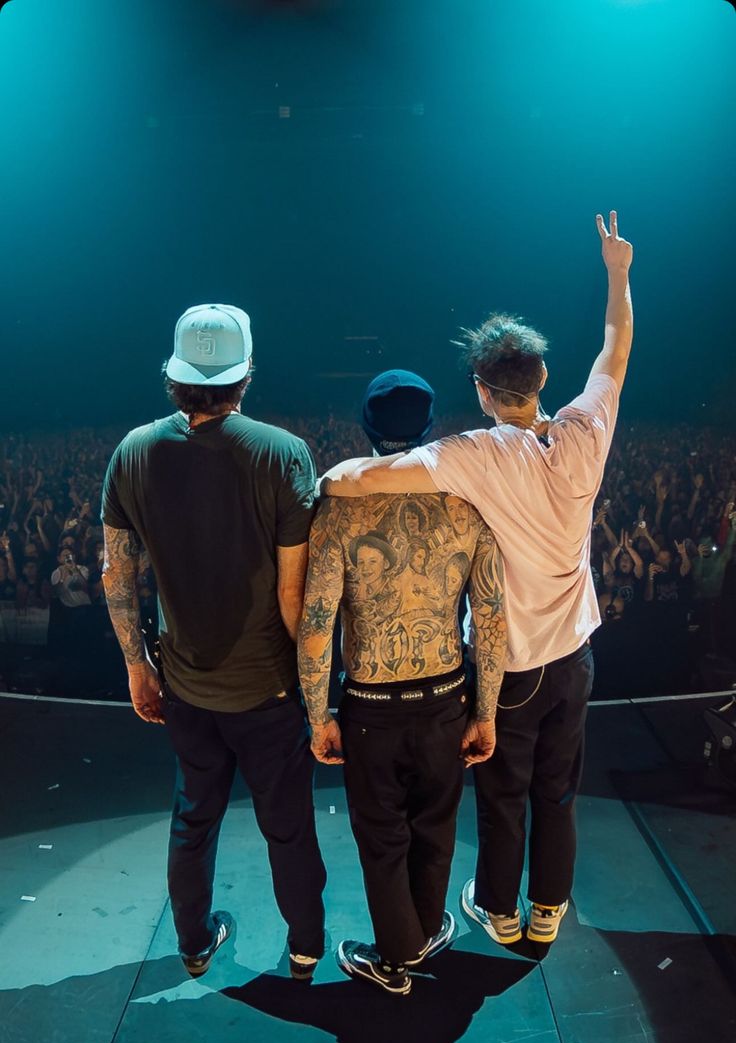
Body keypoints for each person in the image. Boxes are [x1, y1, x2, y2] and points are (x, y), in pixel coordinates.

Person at [322, 212, 633, 948]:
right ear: (543, 379)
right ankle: (549, 906)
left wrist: (328, 478)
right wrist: (618, 272)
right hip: (577, 654)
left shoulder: (473, 453)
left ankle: (498, 907)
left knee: (504, 794)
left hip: (515, 666)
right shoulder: (589, 427)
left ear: (483, 390)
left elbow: (372, 477)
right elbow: (615, 346)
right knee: (559, 789)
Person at [102, 303, 327, 981]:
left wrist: (137, 666)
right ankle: (306, 946)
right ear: (246, 373)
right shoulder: (283, 453)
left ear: (175, 376)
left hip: (187, 688)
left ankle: (195, 943)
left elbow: (117, 571)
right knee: (286, 824)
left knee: (192, 820)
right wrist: (316, 695)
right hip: (269, 690)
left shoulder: (133, 451)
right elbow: (294, 596)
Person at [298, 370, 507, 995]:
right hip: (446, 698)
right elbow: (490, 618)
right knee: (435, 827)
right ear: (429, 427)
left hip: (370, 707)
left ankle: (397, 958)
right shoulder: (468, 506)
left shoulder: (341, 506)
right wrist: (487, 711)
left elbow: (317, 625)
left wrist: (317, 713)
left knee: (382, 837)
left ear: (367, 429)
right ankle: (417, 934)